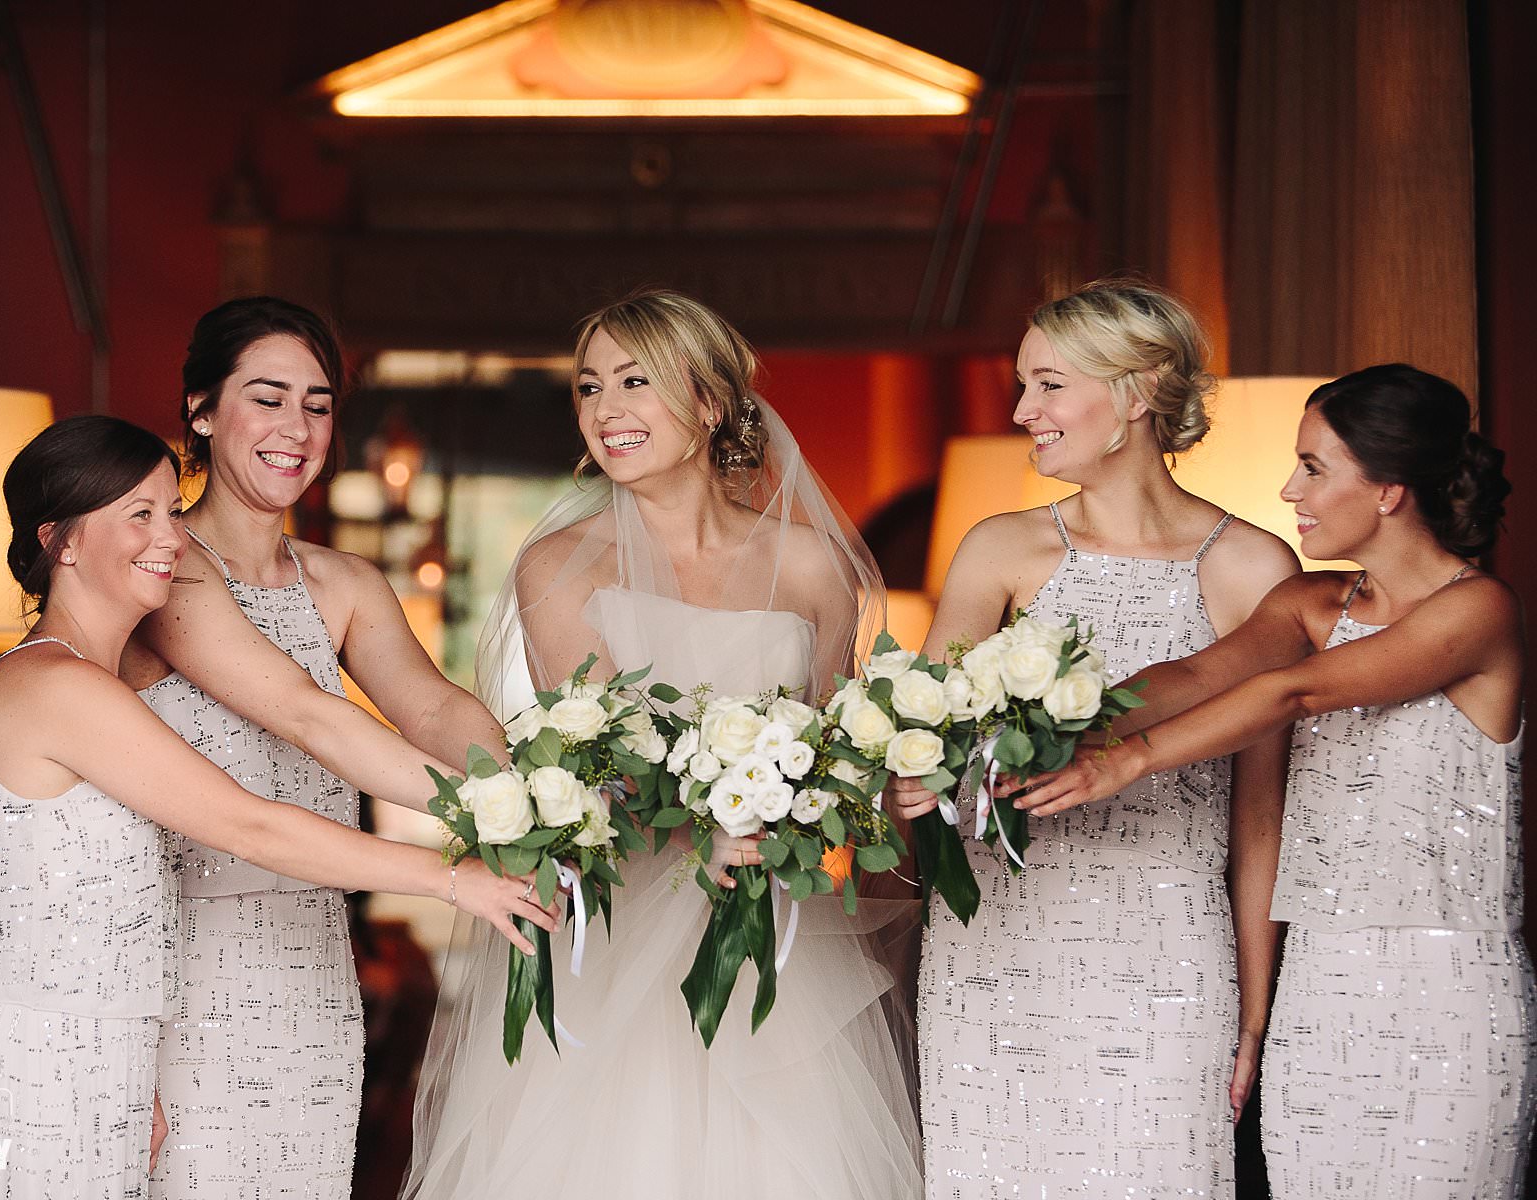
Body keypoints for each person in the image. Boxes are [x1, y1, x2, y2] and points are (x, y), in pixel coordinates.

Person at [0, 415, 553, 1200]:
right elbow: (250, 824)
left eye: (171, 511)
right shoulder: (57, 685)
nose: (171, 538)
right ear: (60, 542)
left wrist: (132, 1076)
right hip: (31, 1072)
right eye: (138, 515)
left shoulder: (95, 681)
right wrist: (455, 878)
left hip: (98, 1064)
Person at [402, 289, 922, 1199]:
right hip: (624, 930)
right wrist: (702, 826)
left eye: (635, 381)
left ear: (710, 402)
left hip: (778, 935)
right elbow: (594, 764)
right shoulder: (559, 565)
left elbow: (835, 758)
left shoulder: (813, 565)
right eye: (589, 386)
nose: (606, 409)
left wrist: (806, 819)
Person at [1012, 363, 1533, 1198]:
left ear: (1389, 490)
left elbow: (1294, 692)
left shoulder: (1480, 611)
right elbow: (1192, 676)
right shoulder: (1308, 603)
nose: (1290, 490)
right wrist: (1050, 735)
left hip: (1446, 993)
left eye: (1314, 468)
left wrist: (1128, 761)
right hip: (1315, 993)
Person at [887, 279, 1300, 1198]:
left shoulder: (1253, 567)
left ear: (1137, 390)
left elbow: (1262, 820)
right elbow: (919, 747)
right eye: (1022, 385)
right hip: (994, 953)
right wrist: (910, 785)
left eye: (1048, 385)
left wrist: (1254, 1009)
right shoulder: (999, 549)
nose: (1020, 411)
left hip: (1169, 957)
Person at [117, 297, 519, 1198]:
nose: (296, 430)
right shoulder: (165, 567)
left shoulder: (344, 582)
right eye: (267, 399)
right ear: (200, 410)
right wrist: (497, 810)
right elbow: (309, 716)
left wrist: (540, 788)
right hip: (186, 980)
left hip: (315, 980)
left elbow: (432, 707)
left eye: (318, 404)